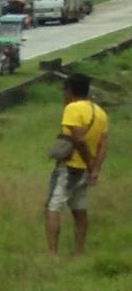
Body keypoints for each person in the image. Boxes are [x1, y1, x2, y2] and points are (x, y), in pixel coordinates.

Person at [46, 72, 108, 256]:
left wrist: (89, 164)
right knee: (80, 209)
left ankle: (52, 254)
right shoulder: (100, 112)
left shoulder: (72, 109)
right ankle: (79, 252)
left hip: (70, 166)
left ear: (70, 90)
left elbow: (79, 140)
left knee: (53, 207)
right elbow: (103, 146)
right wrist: (94, 169)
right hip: (85, 171)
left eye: (64, 90)